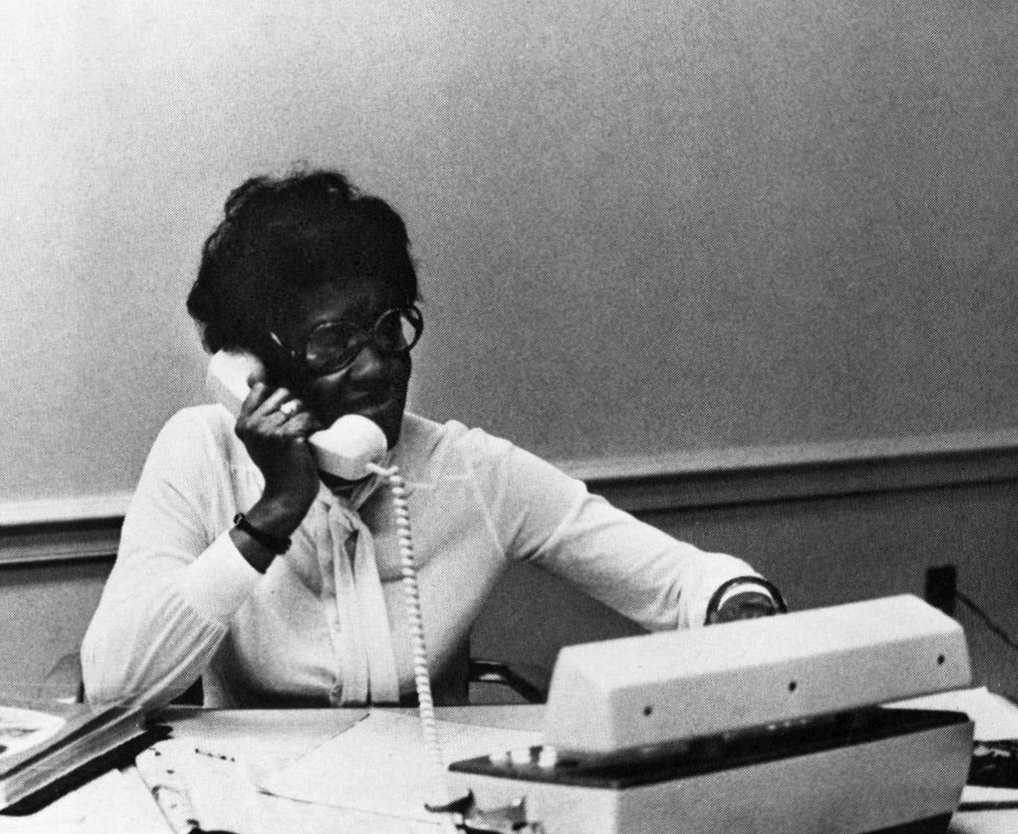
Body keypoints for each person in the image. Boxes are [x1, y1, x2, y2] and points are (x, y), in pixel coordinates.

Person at [81, 169, 785, 710]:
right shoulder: (200, 453)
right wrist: (272, 516)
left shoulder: (469, 473)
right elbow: (115, 681)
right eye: (333, 341)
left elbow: (687, 582)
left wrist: (737, 608)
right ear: (255, 369)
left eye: (389, 328)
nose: (379, 365)